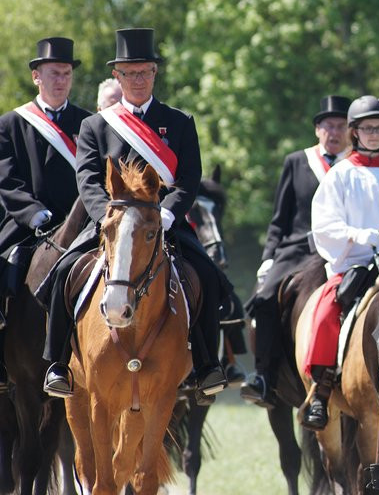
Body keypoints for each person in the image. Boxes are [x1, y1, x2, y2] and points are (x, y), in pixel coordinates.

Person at [38, 28, 232, 401]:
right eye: (129, 73)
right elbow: (89, 180)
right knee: (61, 272)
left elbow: (189, 178)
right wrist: (106, 220)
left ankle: (207, 364)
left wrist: (170, 214)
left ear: (154, 73)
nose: (138, 80)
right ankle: (58, 363)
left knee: (208, 274)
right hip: (111, 228)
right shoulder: (95, 126)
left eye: (144, 72)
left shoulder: (179, 123)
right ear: (117, 77)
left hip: (164, 225)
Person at [300, 96, 379, 433]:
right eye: (367, 128)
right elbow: (324, 225)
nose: (374, 134)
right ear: (354, 132)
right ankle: (322, 386)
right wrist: (359, 236)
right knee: (329, 307)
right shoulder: (341, 174)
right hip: (357, 262)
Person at [241, 95, 352, 406]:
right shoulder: (297, 161)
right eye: (328, 125)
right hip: (298, 249)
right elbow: (280, 218)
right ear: (317, 129)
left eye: (341, 126)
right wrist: (267, 259)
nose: (334, 132)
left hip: (344, 248)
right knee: (263, 299)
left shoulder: (357, 164)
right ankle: (264, 376)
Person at [0, 38, 91, 391]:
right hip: (27, 223)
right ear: (37, 76)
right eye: (54, 73)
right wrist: (35, 214)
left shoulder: (89, 123)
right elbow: (7, 181)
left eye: (66, 74)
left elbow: (93, 178)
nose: (61, 80)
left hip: (80, 224)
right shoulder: (11, 124)